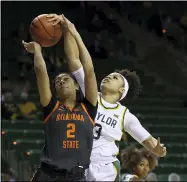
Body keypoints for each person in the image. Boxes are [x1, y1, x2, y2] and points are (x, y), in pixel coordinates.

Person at [49, 14, 167, 181]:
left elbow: (147, 140)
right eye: (109, 75)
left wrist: (159, 150)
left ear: (121, 90)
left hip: (104, 166)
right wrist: (68, 31)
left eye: (114, 78)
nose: (109, 77)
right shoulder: (90, 95)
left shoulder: (125, 115)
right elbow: (74, 59)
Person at [22, 14, 98, 181]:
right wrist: (37, 52)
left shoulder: (89, 107)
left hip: (76, 177)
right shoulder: (51, 107)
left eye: (66, 79)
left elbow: (89, 70)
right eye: (57, 82)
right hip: (47, 175)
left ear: (77, 85)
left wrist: (73, 31)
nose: (61, 82)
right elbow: (41, 72)